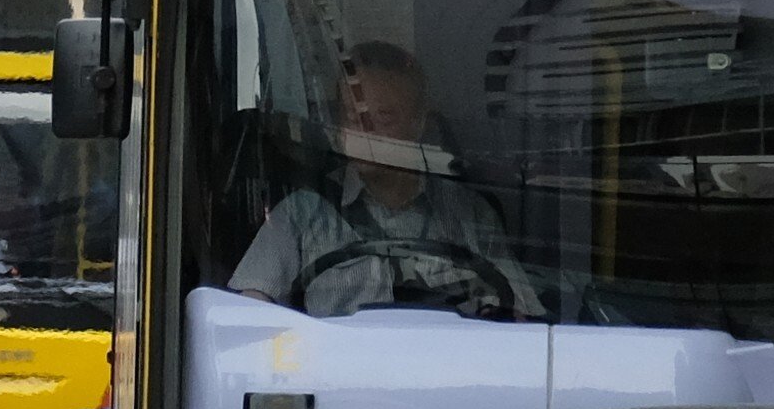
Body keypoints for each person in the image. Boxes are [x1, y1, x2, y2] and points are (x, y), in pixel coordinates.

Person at [231, 41, 542, 320]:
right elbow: (249, 312)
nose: (363, 133)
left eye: (383, 118)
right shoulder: (301, 214)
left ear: (419, 122)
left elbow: (521, 317)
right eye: (352, 119)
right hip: (336, 377)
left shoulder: (468, 214)